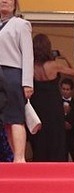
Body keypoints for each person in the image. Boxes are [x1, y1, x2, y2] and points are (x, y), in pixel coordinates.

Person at [29, 33, 74, 162]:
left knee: (40, 135)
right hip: (53, 105)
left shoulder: (30, 66)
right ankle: (58, 162)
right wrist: (65, 56)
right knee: (56, 135)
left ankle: (40, 162)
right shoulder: (54, 65)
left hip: (37, 104)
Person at [0, 0, 33, 162]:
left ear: (15, 4)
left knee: (15, 117)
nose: (4, 1)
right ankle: (14, 155)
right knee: (5, 120)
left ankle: (20, 158)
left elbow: (28, 54)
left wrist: (27, 82)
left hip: (13, 73)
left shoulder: (21, 24)